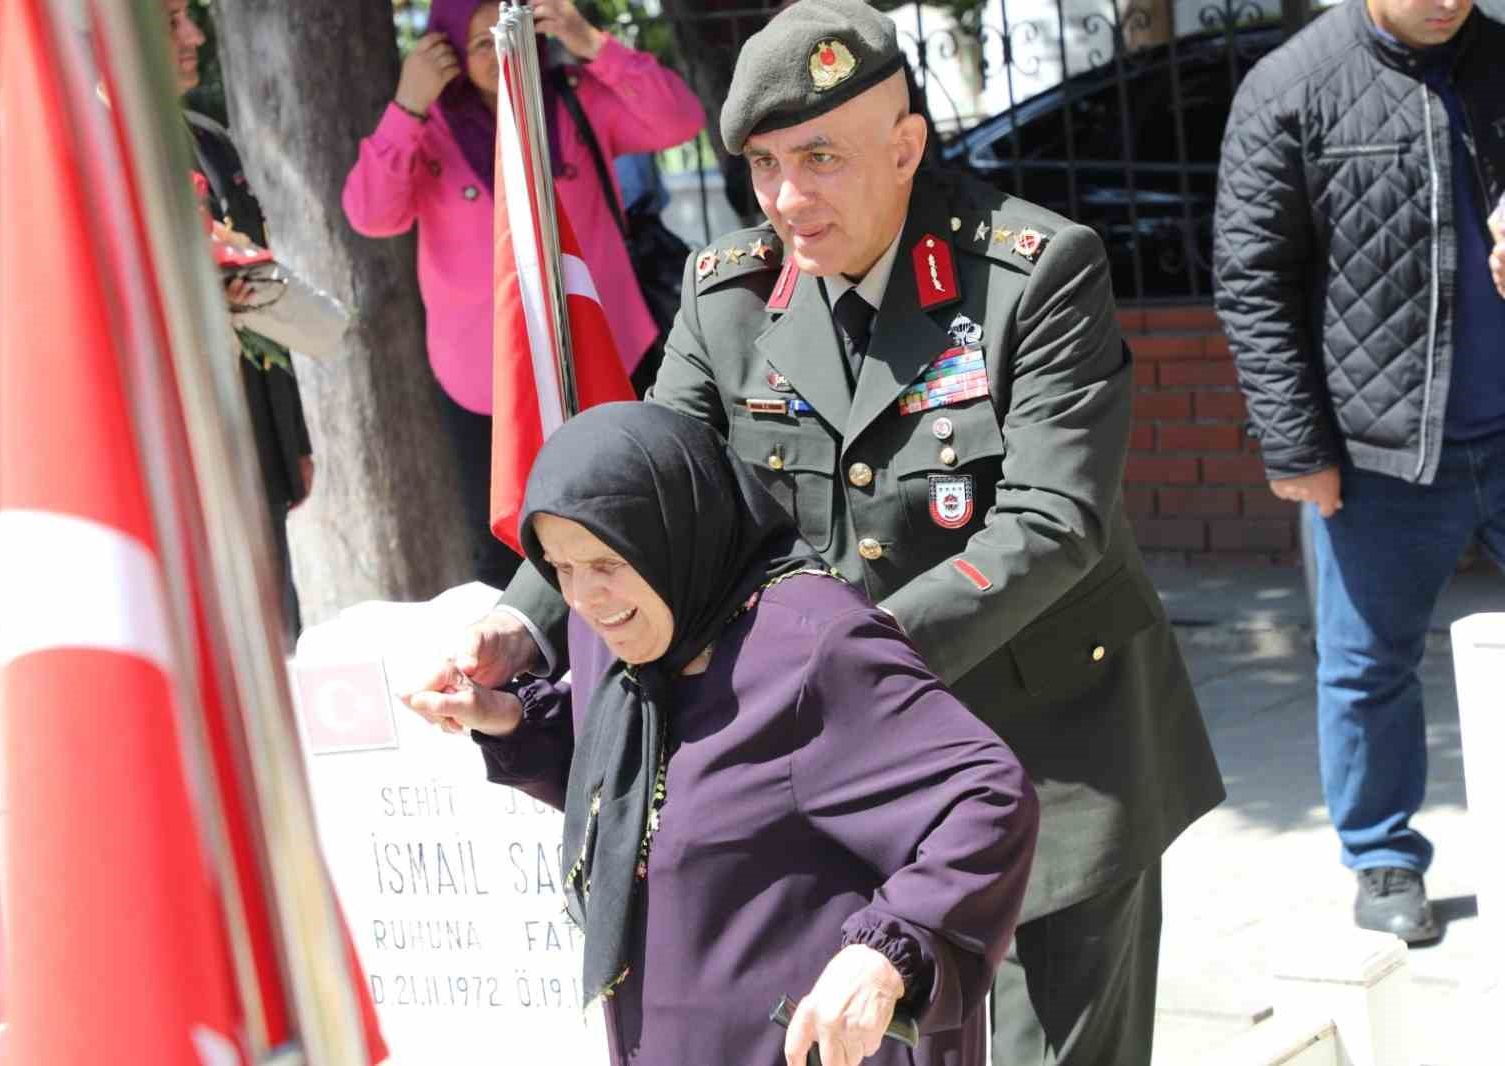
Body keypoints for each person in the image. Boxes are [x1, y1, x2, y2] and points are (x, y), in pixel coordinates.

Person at [447, 2, 1226, 1062]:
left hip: (1054, 745)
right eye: (765, 164)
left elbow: (1054, 521)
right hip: (842, 770)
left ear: (904, 147)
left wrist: (848, 662)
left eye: (819, 158)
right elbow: (644, 482)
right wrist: (526, 621)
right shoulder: (728, 296)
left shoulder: (1032, 272)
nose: (785, 199)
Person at [404, 403, 1038, 1066]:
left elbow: (988, 796)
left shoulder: (816, 647)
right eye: (560, 569)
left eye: (605, 561)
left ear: (672, 533)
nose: (585, 597)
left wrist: (888, 951)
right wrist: (508, 717)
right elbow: (643, 782)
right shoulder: (618, 631)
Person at [1214, 0, 1505, 944]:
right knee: (1368, 666)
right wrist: (1297, 448)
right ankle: (1382, 857)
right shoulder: (1291, 86)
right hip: (1376, 447)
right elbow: (1251, 281)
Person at [341, 0, 704, 587]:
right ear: (449, 49)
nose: (496, 52)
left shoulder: (572, 99)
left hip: (600, 347)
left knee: (635, 515)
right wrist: (408, 104)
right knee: (510, 546)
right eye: (478, 41)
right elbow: (370, 214)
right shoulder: (429, 130)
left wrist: (592, 42)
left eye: (505, 35)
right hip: (486, 380)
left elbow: (680, 120)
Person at [168, 0, 314, 639]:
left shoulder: (210, 139)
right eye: (171, 19)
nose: (194, 34)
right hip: (179, 445)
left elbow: (264, 297)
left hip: (254, 433)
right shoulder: (95, 154)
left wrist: (291, 437)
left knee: (275, 633)